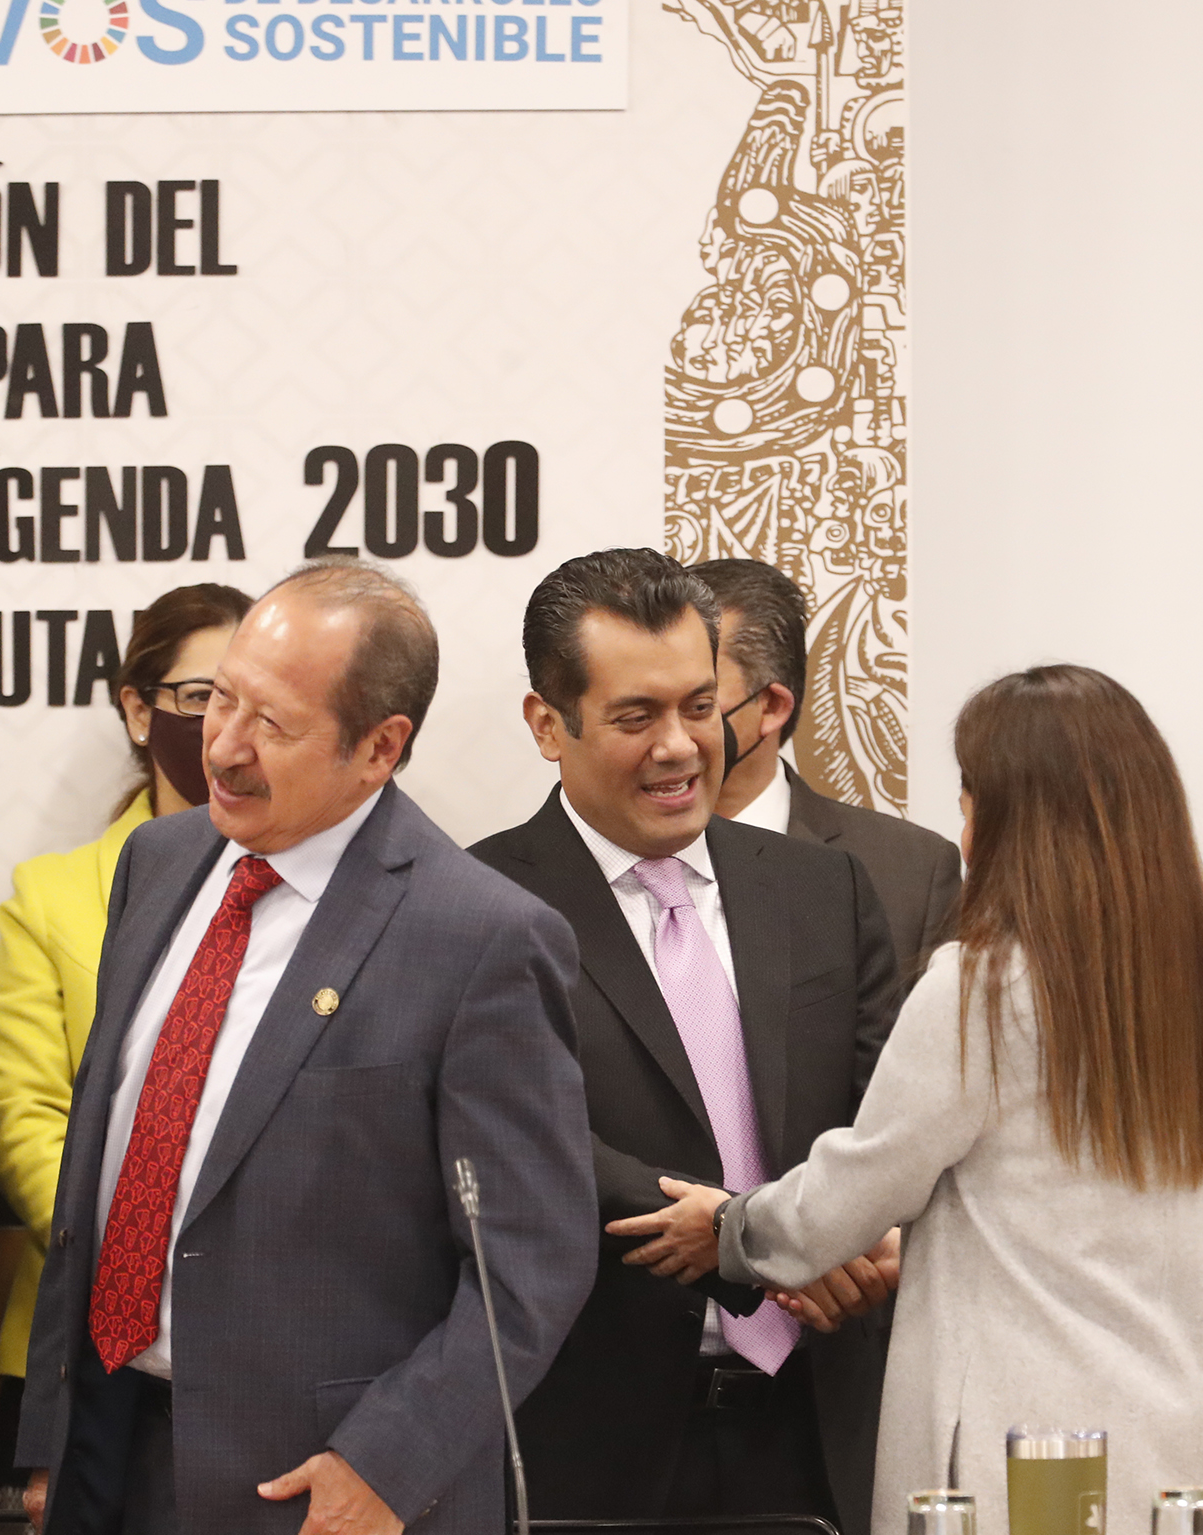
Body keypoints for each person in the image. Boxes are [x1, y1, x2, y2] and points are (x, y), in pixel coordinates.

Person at [612, 663, 1203, 1535]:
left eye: (968, 803)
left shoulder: (985, 987)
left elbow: (859, 1185)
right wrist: (923, 1247)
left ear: (1011, 820)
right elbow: (1075, 1202)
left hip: (1025, 1454)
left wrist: (732, 1227)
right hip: (1187, 1440)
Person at [17, 561, 596, 1533]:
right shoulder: (157, 862)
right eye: (221, 699)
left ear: (379, 747)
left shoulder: (480, 937)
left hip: (318, 1487)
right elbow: (96, 1175)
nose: (224, 747)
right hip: (111, 1455)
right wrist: (50, 1435)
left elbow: (533, 1261)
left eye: (273, 725)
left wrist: (388, 1464)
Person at [470, 548, 902, 1533]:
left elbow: (886, 1122)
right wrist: (760, 1245)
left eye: (699, 707)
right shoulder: (477, 908)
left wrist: (865, 1238)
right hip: (596, 1453)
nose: (678, 746)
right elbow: (518, 1138)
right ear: (548, 723)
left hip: (822, 1436)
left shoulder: (823, 890)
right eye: (636, 716)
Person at [0, 580, 252, 1490]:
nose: (223, 726)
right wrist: (144, 1250)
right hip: (78, 1338)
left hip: (258, 1336)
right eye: (199, 695)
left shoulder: (315, 886)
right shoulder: (53, 895)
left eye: (247, 698)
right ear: (139, 710)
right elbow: (23, 1118)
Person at [691, 558, 962, 989]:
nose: (667, 733)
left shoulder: (910, 873)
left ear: (772, 706)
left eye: (698, 699)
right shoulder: (603, 855)